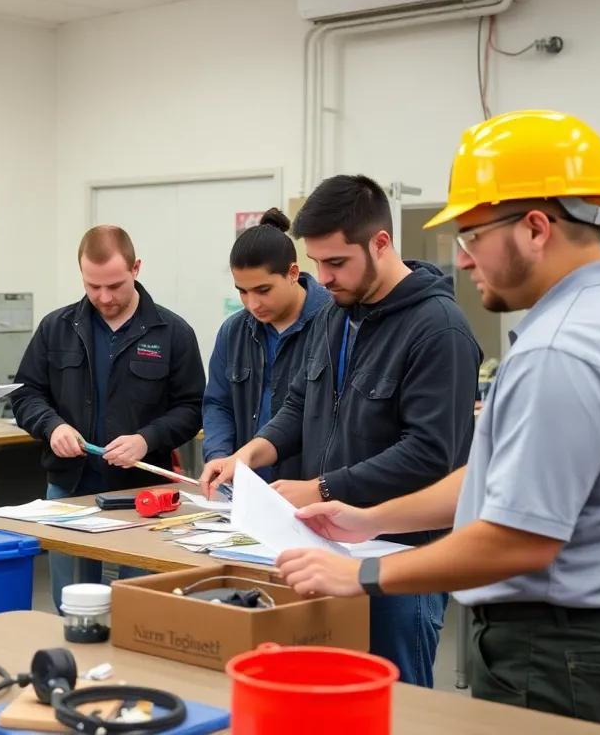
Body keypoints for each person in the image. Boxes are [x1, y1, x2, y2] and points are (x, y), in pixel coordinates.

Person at [267, 110, 600, 733]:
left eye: (471, 236)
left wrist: (361, 573)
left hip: (566, 656)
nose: (462, 260)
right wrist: (371, 519)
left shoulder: (562, 348)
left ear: (535, 228)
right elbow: (496, 480)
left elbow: (519, 537)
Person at [201, 174, 483, 688]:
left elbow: (431, 455)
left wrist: (323, 488)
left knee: (397, 698)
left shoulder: (438, 329)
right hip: (331, 549)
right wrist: (250, 454)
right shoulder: (337, 316)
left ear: (380, 243)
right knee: (331, 693)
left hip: (402, 555)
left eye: (337, 263)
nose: (324, 278)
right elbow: (300, 405)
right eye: (316, 264)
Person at [12, 226, 205, 612]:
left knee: (142, 606)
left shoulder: (173, 333)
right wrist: (53, 426)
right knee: (73, 608)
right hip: (69, 492)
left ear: (136, 268)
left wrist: (146, 440)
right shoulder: (57, 328)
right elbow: (26, 393)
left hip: (143, 496)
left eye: (115, 285)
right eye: (92, 286)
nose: (104, 298)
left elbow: (193, 408)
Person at [202, 208, 332, 482]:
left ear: (293, 273)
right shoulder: (233, 331)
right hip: (246, 492)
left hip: (311, 491)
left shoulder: (334, 324)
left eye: (263, 290)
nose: (253, 304)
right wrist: (217, 455)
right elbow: (218, 404)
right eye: (242, 292)